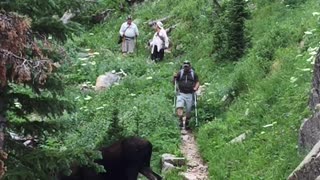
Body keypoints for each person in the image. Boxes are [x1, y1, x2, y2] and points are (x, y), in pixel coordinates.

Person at [173, 61, 200, 129]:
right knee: (179, 107)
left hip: (190, 94)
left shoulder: (193, 74)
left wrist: (196, 88)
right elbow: (174, 82)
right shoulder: (180, 73)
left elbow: (197, 82)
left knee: (188, 110)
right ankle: (181, 121)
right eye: (185, 67)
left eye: (187, 67)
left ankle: (187, 123)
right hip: (181, 93)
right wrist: (174, 77)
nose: (186, 68)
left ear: (190, 67)